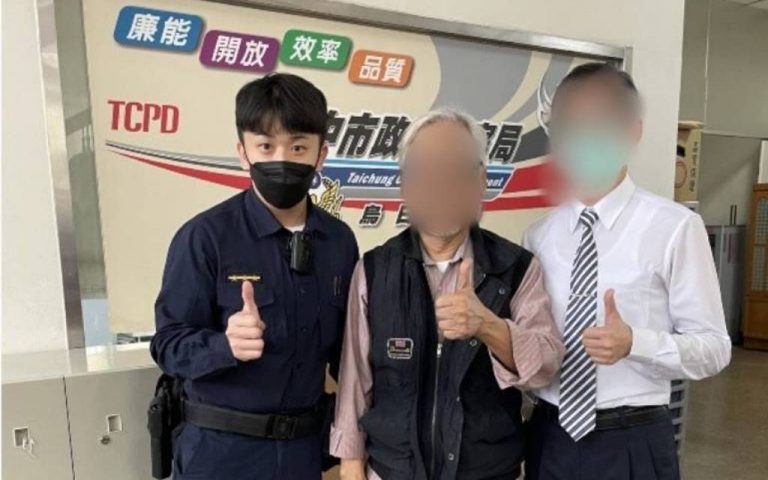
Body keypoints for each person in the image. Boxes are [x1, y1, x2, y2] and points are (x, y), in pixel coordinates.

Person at [330, 107, 564, 480]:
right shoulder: (375, 269)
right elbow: (355, 379)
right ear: (405, 185)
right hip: (392, 471)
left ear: (480, 181)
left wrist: (489, 326)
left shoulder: (516, 267)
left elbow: (545, 368)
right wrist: (351, 465)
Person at [523, 62, 731, 480]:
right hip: (549, 434)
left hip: (632, 438)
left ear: (632, 131)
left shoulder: (674, 228)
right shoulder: (539, 236)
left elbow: (714, 348)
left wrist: (636, 342)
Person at [150, 73, 359, 479]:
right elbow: (168, 343)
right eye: (266, 146)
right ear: (243, 153)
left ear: (320, 155)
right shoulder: (205, 237)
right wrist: (224, 345)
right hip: (219, 455)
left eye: (298, 147)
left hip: (302, 453)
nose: (282, 159)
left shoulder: (338, 242)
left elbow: (349, 356)